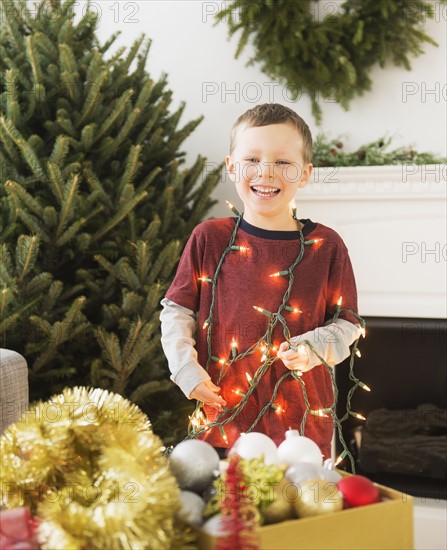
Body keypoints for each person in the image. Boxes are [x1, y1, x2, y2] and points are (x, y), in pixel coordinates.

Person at [160, 103, 362, 459]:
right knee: (230, 510)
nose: (265, 172)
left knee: (297, 511)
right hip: (222, 421)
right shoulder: (210, 238)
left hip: (301, 429)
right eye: (252, 159)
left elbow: (347, 323)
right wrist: (186, 371)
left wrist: (313, 347)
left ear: (305, 173)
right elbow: (176, 312)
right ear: (231, 167)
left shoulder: (325, 246)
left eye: (283, 163)